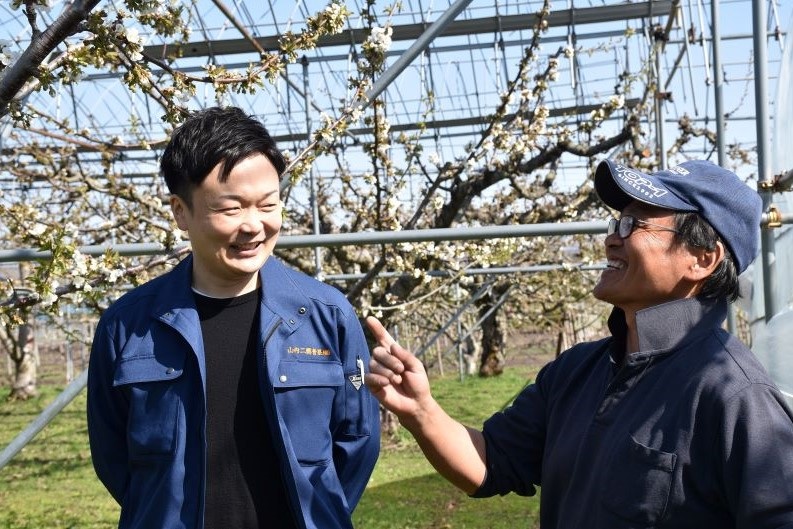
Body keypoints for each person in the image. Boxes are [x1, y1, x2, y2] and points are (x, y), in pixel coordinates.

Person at [365, 159, 793, 528]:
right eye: (615, 222)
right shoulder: (577, 371)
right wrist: (421, 410)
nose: (611, 238)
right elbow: (490, 462)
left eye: (634, 224)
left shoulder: (734, 396)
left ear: (702, 260)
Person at [87, 106, 380, 529]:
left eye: (268, 205)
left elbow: (357, 443)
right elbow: (113, 457)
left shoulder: (327, 315)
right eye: (231, 209)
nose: (254, 226)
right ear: (180, 212)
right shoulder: (128, 327)